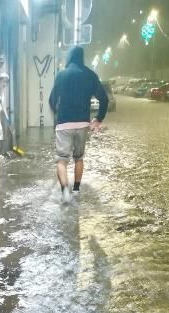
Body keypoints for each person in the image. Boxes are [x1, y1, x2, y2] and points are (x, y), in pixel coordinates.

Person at [49, 46, 109, 204]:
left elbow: (51, 100)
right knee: (79, 158)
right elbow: (104, 99)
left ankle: (65, 192)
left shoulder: (62, 75)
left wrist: (57, 114)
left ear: (69, 57)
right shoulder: (90, 75)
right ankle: (76, 190)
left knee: (61, 160)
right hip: (83, 123)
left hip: (64, 123)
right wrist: (98, 119)